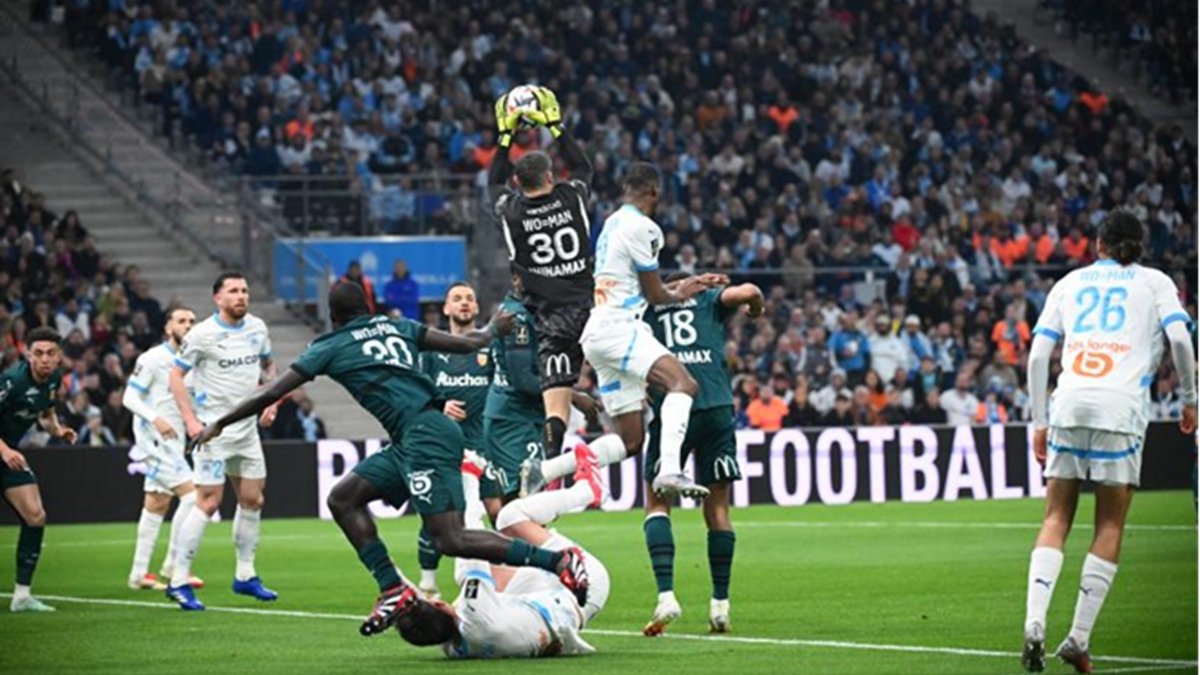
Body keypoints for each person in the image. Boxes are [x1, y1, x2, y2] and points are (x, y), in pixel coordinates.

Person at [190, 282, 589, 636]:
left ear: (333, 315)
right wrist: (493, 330)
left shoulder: (330, 346)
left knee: (449, 538)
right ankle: (393, 587)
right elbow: (470, 343)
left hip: (425, 436)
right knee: (343, 499)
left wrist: (219, 423)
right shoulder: (397, 326)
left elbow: (270, 392)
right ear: (367, 306)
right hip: (413, 437)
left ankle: (558, 562)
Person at [1020, 211, 1198, 673]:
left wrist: (1039, 420)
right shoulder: (1156, 283)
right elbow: (1181, 341)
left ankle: (1034, 621)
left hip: (1069, 403)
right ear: (1139, 244)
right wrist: (1190, 399)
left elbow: (1038, 356)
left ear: (1098, 243)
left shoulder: (1069, 282)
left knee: (1055, 517)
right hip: (1121, 409)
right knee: (1110, 525)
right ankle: (1078, 638)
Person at [396, 447, 609, 658]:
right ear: (438, 603)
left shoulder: (455, 647)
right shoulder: (475, 610)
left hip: (555, 606)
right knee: (509, 518)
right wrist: (469, 476)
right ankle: (587, 491)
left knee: (488, 575)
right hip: (583, 584)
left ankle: (541, 513)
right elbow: (469, 537)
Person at [642, 274, 763, 635]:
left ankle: (666, 596)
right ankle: (720, 606)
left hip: (673, 409)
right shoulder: (708, 299)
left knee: (657, 503)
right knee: (718, 509)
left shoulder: (648, 307)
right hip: (716, 408)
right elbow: (751, 291)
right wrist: (755, 309)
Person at [489, 86, 598, 475]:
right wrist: (555, 127)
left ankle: (550, 470)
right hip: (594, 310)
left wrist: (505, 137)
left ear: (517, 183)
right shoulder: (571, 197)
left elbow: (493, 185)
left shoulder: (511, 212)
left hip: (551, 318)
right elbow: (583, 167)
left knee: (556, 404)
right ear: (551, 176)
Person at [167, 272, 280, 610]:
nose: (241, 296)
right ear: (218, 298)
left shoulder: (257, 328)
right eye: (233, 291)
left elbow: (269, 366)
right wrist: (190, 421)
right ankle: (178, 580)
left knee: (253, 499)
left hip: (247, 432)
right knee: (208, 502)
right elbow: (175, 375)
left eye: (244, 290)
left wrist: (272, 400)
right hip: (213, 432)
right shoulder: (202, 335)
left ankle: (245, 575)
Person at [415, 282, 493, 600]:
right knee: (439, 514)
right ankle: (429, 584)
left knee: (495, 514)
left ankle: (489, 582)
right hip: (444, 447)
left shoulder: (490, 348)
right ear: (446, 308)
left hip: (485, 448)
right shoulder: (431, 351)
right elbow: (415, 394)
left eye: (470, 298)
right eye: (457, 299)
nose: (464, 303)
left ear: (477, 308)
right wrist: (440, 405)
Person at [122, 306, 205, 591]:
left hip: (175, 441)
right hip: (154, 439)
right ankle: (173, 566)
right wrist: (155, 419)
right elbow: (129, 397)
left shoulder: (193, 361)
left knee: (157, 503)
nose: (188, 326)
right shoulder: (153, 358)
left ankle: (138, 574)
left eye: (192, 321)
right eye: (181, 321)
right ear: (168, 327)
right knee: (194, 497)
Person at [0, 327, 77, 612]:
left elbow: (45, 413)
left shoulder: (53, 379)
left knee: (35, 516)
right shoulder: (12, 381)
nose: (44, 359)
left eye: (50, 353)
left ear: (59, 356)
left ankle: (22, 596)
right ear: (27, 354)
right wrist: (5, 450)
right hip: (5, 452)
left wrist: (57, 430)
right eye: (39, 353)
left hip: (7, 456)